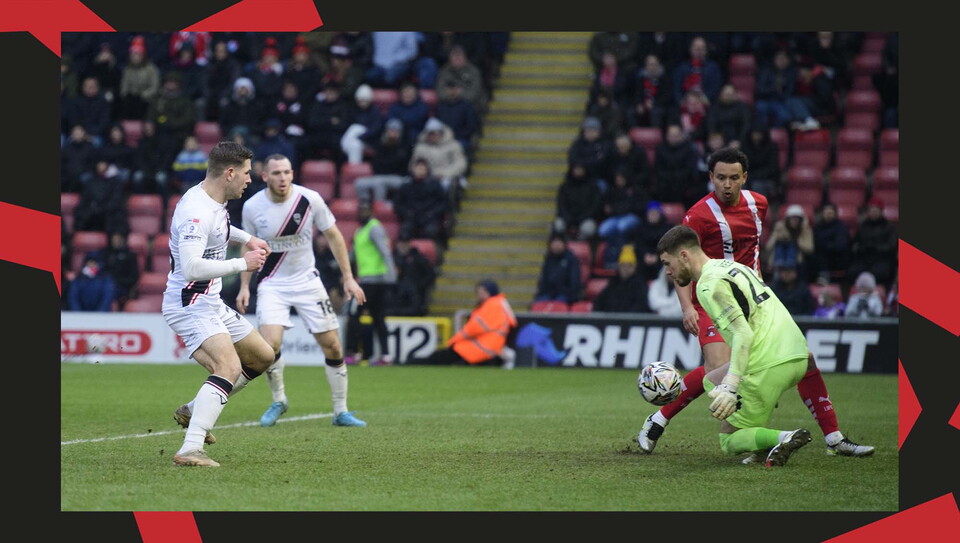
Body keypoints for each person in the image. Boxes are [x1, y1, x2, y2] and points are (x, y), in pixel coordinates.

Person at [637, 147, 874, 459]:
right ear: (711, 178)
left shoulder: (758, 204)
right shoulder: (698, 215)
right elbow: (680, 262)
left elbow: (754, 253)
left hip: (752, 299)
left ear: (744, 178)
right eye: (720, 178)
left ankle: (832, 438)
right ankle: (660, 419)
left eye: (734, 178)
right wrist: (687, 307)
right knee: (722, 369)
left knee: (804, 361)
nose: (727, 184)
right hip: (712, 300)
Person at [655, 225, 815, 467]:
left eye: (668, 263)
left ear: (684, 256)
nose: (667, 271)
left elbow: (743, 334)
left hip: (767, 361)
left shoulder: (708, 285)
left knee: (728, 439)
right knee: (712, 379)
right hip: (797, 354)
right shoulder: (734, 267)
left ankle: (784, 438)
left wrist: (732, 385)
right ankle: (760, 446)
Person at [163, 141, 277, 467]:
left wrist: (247, 239)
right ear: (229, 173)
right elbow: (191, 268)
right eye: (245, 173)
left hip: (209, 300)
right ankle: (190, 448)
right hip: (189, 303)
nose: (249, 180)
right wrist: (244, 264)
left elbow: (221, 228)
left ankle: (193, 409)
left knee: (261, 356)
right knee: (228, 367)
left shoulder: (213, 200)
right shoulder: (195, 213)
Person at [236, 154, 368, 429]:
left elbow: (334, 235)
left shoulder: (310, 199)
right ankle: (279, 400)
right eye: (276, 173)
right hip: (272, 283)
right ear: (265, 177)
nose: (282, 178)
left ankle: (340, 411)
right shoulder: (252, 207)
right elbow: (249, 247)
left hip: (308, 281)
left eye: (286, 172)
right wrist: (245, 286)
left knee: (332, 345)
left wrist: (348, 278)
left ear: (292, 173)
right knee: (269, 347)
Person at [406, 280, 516, 367]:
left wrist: (454, 340)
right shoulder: (500, 304)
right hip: (486, 349)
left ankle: (406, 364)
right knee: (441, 359)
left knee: (436, 358)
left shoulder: (492, 305)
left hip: (475, 350)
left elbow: (474, 328)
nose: (479, 295)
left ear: (489, 292)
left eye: (481, 292)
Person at [344, 200, 398, 366]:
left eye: (366, 209)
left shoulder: (373, 227)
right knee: (377, 317)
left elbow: (384, 251)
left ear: (372, 211)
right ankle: (384, 355)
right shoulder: (361, 230)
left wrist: (391, 274)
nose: (363, 212)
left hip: (372, 280)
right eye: (361, 209)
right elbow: (355, 254)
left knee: (354, 315)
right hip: (369, 279)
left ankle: (354, 352)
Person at [848, 197, 897, 289]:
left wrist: (876, 248)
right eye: (871, 210)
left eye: (876, 210)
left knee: (879, 273)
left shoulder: (890, 227)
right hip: (864, 258)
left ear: (881, 211)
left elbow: (892, 246)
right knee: (853, 272)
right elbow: (855, 242)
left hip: (882, 258)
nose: (874, 212)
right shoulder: (863, 226)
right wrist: (860, 248)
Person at [553, 161, 602, 241]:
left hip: (585, 218)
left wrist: (581, 218)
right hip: (568, 218)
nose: (578, 172)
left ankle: (579, 244)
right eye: (576, 169)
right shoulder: (565, 186)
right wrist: (569, 219)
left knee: (588, 228)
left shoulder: (592, 186)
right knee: (558, 225)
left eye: (580, 169)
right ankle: (564, 243)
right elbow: (561, 204)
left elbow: (595, 206)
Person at [593, 245, 650, 313]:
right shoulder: (614, 282)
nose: (626, 269)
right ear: (619, 267)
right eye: (623, 265)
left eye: (629, 266)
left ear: (634, 267)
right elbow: (600, 301)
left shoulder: (640, 284)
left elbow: (641, 305)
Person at [764, 204, 815, 279]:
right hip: (779, 262)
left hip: (797, 263)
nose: (795, 221)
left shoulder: (805, 230)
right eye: (792, 218)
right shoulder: (780, 228)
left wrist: (796, 240)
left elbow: (810, 248)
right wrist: (776, 236)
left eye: (797, 218)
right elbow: (768, 247)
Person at [533, 232, 581, 305]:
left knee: (558, 306)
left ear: (564, 244)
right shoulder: (548, 259)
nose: (556, 245)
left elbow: (574, 281)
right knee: (538, 304)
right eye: (554, 242)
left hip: (564, 295)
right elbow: (544, 279)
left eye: (559, 242)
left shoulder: (571, 258)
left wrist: (570, 296)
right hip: (548, 294)